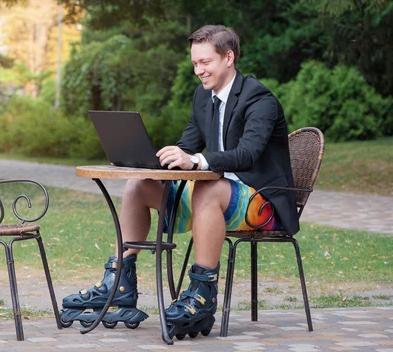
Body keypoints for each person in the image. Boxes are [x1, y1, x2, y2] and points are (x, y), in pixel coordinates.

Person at [60, 25, 297, 339]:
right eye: (195, 64)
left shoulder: (258, 98)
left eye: (205, 62)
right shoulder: (203, 96)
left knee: (207, 188)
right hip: (209, 197)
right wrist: (145, 159)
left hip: (261, 203)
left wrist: (196, 160)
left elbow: (248, 154)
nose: (198, 71)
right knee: (138, 186)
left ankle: (202, 294)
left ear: (229, 57)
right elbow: (187, 145)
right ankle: (119, 282)